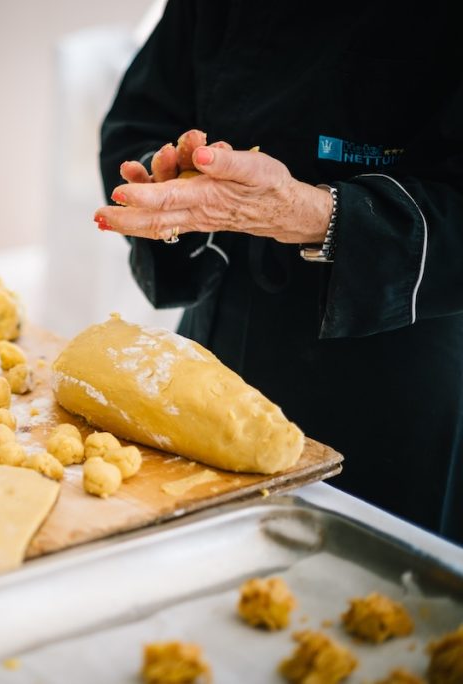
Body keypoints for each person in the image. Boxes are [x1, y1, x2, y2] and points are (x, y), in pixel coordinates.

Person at [94, 1, 462, 544]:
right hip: (219, 340)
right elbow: (140, 118)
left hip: (396, 371)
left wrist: (310, 212)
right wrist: (168, 182)